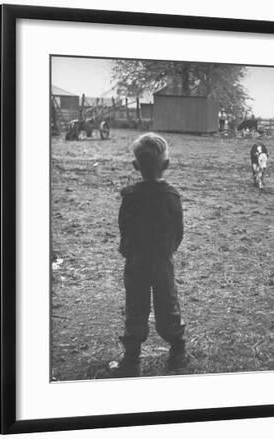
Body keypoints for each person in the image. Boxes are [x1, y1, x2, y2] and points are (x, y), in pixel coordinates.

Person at [112, 133, 187, 377]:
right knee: (168, 303)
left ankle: (131, 359)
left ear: (136, 166)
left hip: (136, 262)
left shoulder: (130, 196)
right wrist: (167, 251)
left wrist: (129, 251)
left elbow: (124, 227)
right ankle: (177, 351)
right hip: (162, 262)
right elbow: (178, 230)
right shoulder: (171, 196)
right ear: (166, 165)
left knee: (135, 306)